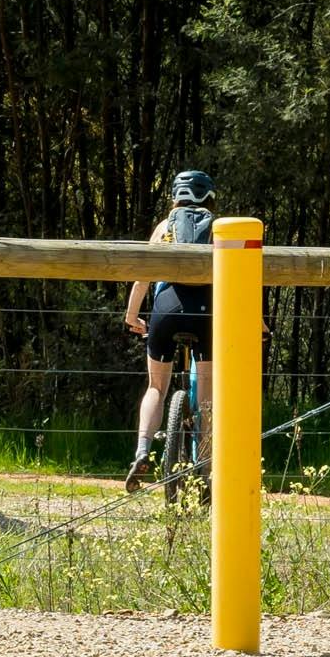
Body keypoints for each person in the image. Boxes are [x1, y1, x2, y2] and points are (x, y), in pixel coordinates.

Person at [121, 167, 219, 491]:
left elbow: (143, 277)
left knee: (156, 388)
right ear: (209, 196)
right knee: (206, 400)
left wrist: (132, 315)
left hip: (167, 308)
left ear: (175, 196)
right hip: (206, 312)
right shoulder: (218, 230)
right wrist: (258, 323)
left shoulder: (164, 227)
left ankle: (143, 450)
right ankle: (204, 472)